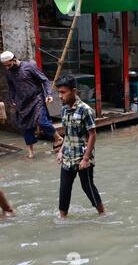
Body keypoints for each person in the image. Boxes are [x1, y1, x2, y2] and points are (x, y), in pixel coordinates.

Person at [55, 74, 105, 218]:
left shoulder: (85, 110)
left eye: (63, 92)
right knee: (64, 188)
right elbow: (67, 133)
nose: (60, 96)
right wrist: (61, 151)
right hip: (68, 156)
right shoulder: (64, 110)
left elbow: (92, 135)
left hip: (83, 157)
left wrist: (86, 158)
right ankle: (62, 217)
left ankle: (102, 212)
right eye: (59, 92)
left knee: (87, 187)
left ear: (74, 91)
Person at [1, 51, 64, 159]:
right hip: (22, 103)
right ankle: (30, 151)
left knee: (43, 122)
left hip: (36, 100)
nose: (7, 67)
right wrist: (12, 99)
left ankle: (58, 138)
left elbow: (44, 80)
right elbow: (11, 87)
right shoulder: (9, 73)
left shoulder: (29, 67)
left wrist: (48, 94)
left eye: (9, 64)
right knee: (26, 127)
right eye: (5, 66)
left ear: (14, 60)